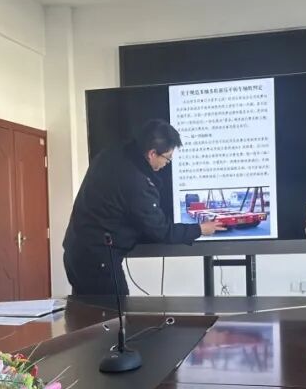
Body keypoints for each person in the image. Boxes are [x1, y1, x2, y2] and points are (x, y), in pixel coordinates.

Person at [63, 119, 222, 295]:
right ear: (152, 153)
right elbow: (160, 230)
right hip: (97, 260)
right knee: (114, 310)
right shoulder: (136, 181)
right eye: (167, 158)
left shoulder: (112, 153)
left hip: (75, 250)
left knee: (86, 308)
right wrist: (200, 229)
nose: (166, 164)